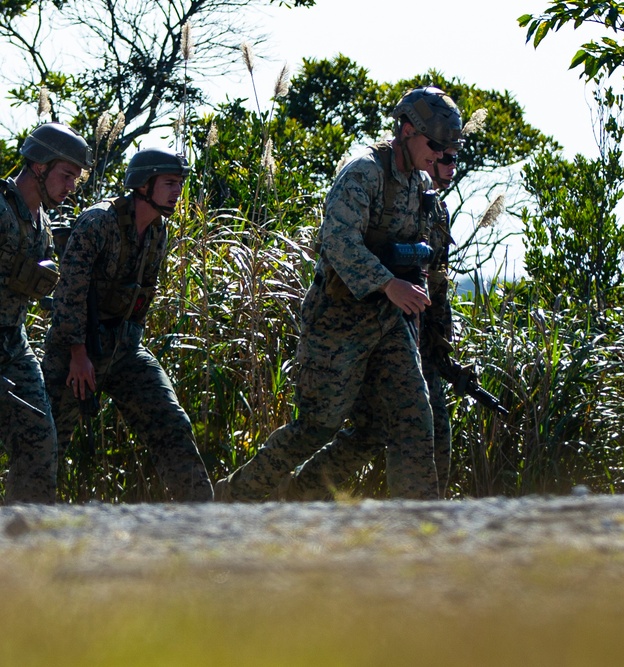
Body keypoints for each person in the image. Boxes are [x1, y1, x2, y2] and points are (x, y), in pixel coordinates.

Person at [215, 86, 464, 502]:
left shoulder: (419, 186)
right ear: (406, 130)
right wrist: (389, 283)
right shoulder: (364, 171)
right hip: (337, 322)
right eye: (435, 144)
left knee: (412, 419)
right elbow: (338, 241)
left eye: (448, 148)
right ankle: (236, 497)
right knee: (317, 425)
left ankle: (417, 529)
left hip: (388, 323)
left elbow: (421, 257)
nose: (440, 155)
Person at [277, 145, 461, 501]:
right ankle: (292, 491)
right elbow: (345, 245)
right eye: (446, 156)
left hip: (417, 338)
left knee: (427, 426)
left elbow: (435, 282)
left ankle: (425, 515)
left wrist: (440, 344)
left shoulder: (436, 211)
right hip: (366, 325)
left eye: (455, 157)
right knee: (343, 426)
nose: (451, 166)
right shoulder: (383, 184)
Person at [42, 148, 213, 502]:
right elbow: (69, 292)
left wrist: (125, 346)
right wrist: (77, 353)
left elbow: (141, 299)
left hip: (122, 348)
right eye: (169, 183)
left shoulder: (157, 232)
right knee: (48, 444)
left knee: (170, 421)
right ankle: (24, 531)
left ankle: (202, 519)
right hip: (74, 349)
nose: (176, 192)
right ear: (143, 184)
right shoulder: (98, 221)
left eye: (179, 184)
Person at [1, 122, 91, 504]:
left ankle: (23, 548)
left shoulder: (42, 223)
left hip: (13, 345)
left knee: (40, 442)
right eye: (66, 175)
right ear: (39, 167)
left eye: (75, 178)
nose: (71, 187)